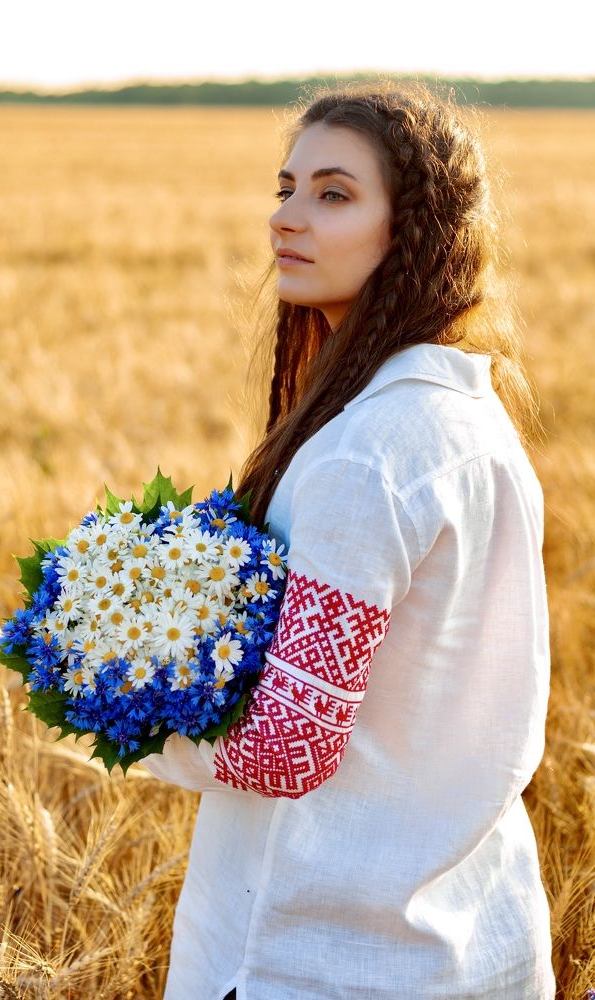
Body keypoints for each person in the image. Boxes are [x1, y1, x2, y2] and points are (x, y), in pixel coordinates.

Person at [140, 82, 556, 999]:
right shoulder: (473, 419)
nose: (287, 218)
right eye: (285, 188)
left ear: (417, 230)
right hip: (475, 947)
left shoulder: (370, 456)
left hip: (319, 959)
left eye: (334, 194)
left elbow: (288, 745)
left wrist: (130, 703)